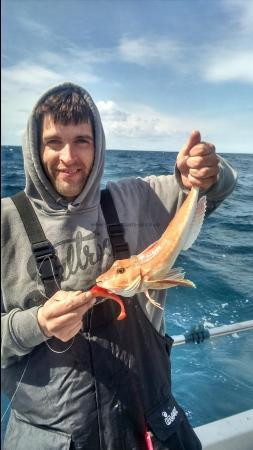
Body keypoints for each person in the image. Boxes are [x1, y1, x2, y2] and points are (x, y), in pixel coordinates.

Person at [1, 82, 237, 450]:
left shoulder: (136, 200)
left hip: (149, 427)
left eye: (82, 140)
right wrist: (36, 323)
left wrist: (206, 172)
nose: (69, 156)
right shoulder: (5, 225)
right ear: (33, 146)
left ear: (98, 145)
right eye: (53, 142)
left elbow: (216, 187)